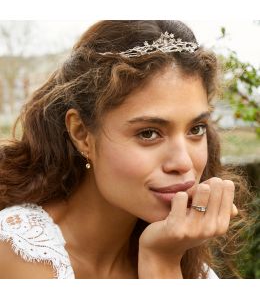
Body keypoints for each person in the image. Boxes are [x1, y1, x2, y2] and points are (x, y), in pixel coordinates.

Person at [0, 20, 251, 279]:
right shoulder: (20, 254)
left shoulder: (188, 262)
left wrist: (162, 256)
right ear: (82, 134)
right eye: (149, 133)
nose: (183, 163)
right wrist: (161, 263)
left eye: (196, 129)